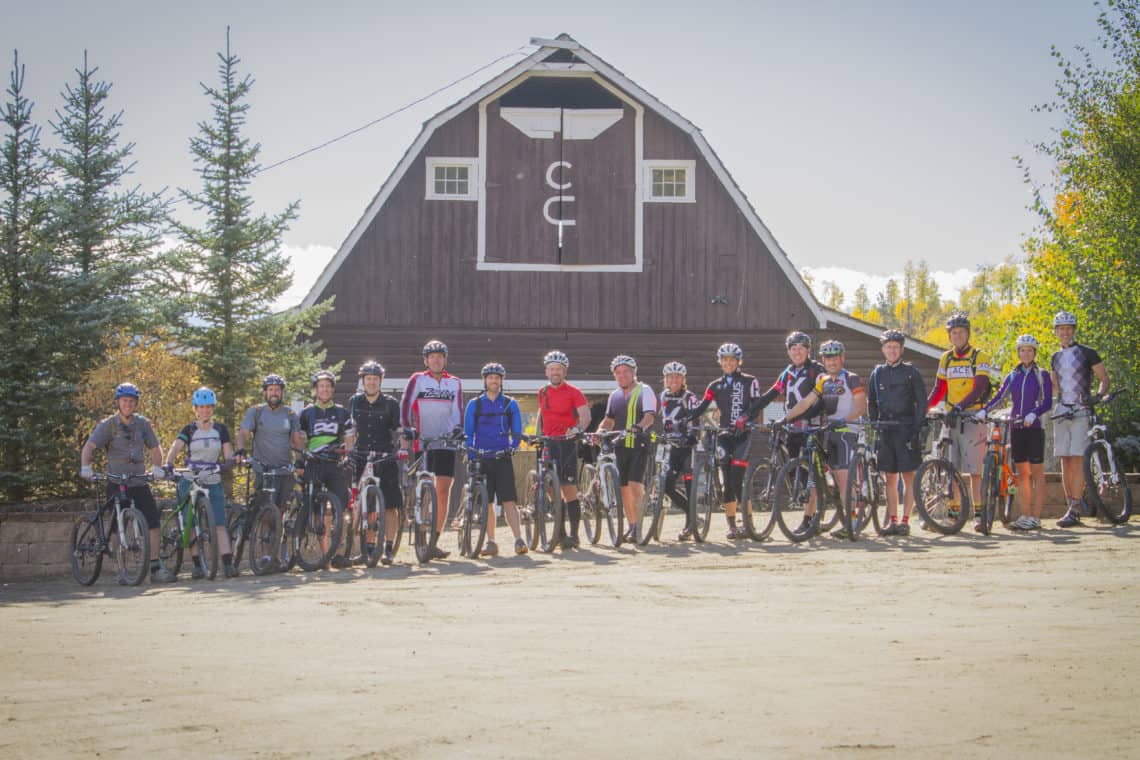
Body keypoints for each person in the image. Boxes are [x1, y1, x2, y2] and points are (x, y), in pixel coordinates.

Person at [79, 383, 171, 583]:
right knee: (116, 523)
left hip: (138, 480)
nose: (128, 404)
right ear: (118, 403)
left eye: (131, 401)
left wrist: (157, 467)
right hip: (116, 480)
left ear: (135, 403)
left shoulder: (142, 424)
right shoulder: (108, 425)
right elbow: (89, 447)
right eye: (124, 401)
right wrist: (86, 467)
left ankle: (155, 567)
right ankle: (122, 569)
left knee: (153, 521)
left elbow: (155, 448)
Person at [780, 340, 867, 538]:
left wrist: (844, 420)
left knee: (844, 479)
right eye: (828, 358)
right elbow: (806, 403)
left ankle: (852, 522)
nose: (831, 362)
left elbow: (861, 407)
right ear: (823, 361)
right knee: (833, 476)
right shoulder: (823, 381)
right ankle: (835, 515)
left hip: (848, 431)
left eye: (835, 358)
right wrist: (785, 418)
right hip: (830, 431)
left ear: (842, 358)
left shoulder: (851, 379)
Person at [685, 342, 764, 539]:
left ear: (739, 361)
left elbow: (756, 406)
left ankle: (748, 523)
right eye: (725, 360)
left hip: (742, 435)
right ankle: (731, 525)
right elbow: (703, 406)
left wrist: (745, 419)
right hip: (723, 436)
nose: (728, 363)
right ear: (720, 362)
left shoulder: (750, 381)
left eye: (732, 359)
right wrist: (685, 418)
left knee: (737, 480)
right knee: (727, 481)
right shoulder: (715, 385)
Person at [927, 312, 994, 532]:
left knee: (974, 470)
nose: (957, 336)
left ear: (967, 334)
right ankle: (955, 512)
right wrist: (925, 408)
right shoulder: (946, 358)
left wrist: (959, 406)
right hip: (951, 418)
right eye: (953, 333)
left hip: (970, 417)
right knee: (951, 467)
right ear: (949, 336)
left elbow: (980, 388)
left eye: (961, 332)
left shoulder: (979, 356)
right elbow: (940, 389)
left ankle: (979, 514)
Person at [164, 387, 237, 577]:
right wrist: (169, 463)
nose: (205, 411)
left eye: (208, 407)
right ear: (195, 409)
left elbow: (228, 451)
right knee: (191, 522)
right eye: (201, 407)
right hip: (191, 478)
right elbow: (176, 446)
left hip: (212, 477)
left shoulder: (220, 429)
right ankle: (197, 565)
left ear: (213, 408)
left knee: (219, 523)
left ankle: (228, 564)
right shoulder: (189, 429)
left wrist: (229, 461)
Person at [401, 340, 463, 559]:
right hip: (423, 441)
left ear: (445, 359)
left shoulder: (454, 382)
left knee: (443, 490)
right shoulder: (417, 379)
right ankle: (420, 533)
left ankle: (434, 541)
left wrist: (457, 429)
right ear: (426, 360)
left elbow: (457, 410)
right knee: (425, 488)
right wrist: (407, 428)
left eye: (440, 356)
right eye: (432, 356)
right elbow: (406, 404)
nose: (436, 359)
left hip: (445, 442)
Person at [984, 334, 1052, 530]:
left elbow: (1047, 401)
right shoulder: (1013, 375)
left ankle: (1036, 517)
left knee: (1037, 473)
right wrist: (984, 410)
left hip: (1034, 428)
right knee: (1022, 474)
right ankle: (1025, 515)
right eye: (1022, 350)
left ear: (1034, 353)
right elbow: (1000, 396)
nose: (1026, 353)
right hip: (1016, 427)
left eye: (1029, 350)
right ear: (1018, 352)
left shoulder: (1042, 374)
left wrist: (1034, 414)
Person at [236, 373, 304, 570]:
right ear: (265, 393)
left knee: (280, 513)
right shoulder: (256, 412)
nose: (274, 393)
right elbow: (243, 433)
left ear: (282, 392)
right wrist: (241, 449)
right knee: (266, 513)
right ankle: (265, 555)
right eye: (271, 390)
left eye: (277, 390)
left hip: (284, 471)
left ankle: (276, 554)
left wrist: (299, 462)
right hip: (262, 469)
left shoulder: (290, 414)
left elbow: (297, 439)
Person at [1050, 310, 1111, 528]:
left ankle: (1074, 509)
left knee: (1077, 458)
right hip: (1061, 410)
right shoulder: (1054, 357)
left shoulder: (1087, 352)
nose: (1065, 332)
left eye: (1069, 328)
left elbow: (1104, 378)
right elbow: (1056, 386)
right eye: (1061, 329)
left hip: (1081, 409)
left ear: (1073, 330)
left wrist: (1097, 396)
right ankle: (1071, 505)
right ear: (1056, 332)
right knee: (1064, 460)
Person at [867, 330, 927, 535]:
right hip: (885, 430)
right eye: (888, 347)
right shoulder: (877, 373)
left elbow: (921, 402)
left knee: (908, 477)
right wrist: (874, 422)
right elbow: (871, 401)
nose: (892, 350)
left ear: (901, 349)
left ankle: (905, 520)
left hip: (906, 428)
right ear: (883, 349)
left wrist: (917, 428)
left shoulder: (911, 372)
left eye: (895, 347)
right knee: (890, 478)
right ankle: (892, 520)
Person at [463, 362, 526, 556]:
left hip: (502, 457)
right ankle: (491, 541)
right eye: (490, 377)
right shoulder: (475, 404)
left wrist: (513, 447)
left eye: (497, 378)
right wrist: (472, 454)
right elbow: (468, 433)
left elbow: (516, 432)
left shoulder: (510, 403)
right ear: (485, 380)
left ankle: (518, 539)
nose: (494, 381)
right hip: (481, 458)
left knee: (509, 501)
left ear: (501, 381)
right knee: (487, 502)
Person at [596, 355, 658, 544]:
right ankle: (632, 526)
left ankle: (639, 526)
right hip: (620, 446)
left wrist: (639, 426)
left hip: (639, 444)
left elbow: (650, 416)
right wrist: (599, 431)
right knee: (623, 489)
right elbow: (609, 420)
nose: (622, 376)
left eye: (625, 372)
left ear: (633, 373)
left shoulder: (644, 390)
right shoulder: (614, 395)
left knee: (635, 485)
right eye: (618, 373)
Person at [347, 360, 403, 565]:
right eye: (368, 379)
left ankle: (388, 547)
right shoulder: (354, 401)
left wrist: (404, 442)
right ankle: (368, 547)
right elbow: (351, 430)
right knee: (367, 505)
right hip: (361, 455)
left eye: (375, 379)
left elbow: (398, 428)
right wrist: (349, 451)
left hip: (385, 456)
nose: (371, 382)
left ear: (380, 381)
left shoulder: (391, 403)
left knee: (390, 505)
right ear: (363, 381)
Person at [298, 369, 355, 566]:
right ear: (316, 389)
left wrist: (348, 453)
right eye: (321, 386)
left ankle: (338, 553)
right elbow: (299, 439)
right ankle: (323, 556)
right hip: (314, 462)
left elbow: (349, 437)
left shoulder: (341, 412)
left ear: (332, 389)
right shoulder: (306, 413)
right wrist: (299, 459)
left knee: (342, 505)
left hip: (334, 462)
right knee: (316, 509)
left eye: (328, 386)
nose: (324, 389)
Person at [534, 350, 591, 550]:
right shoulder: (542, 391)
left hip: (566, 443)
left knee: (569, 491)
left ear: (564, 371)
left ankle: (574, 536)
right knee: (550, 488)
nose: (555, 372)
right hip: (549, 442)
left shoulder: (574, 391)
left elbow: (585, 416)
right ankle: (560, 533)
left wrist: (577, 429)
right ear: (546, 371)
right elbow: (541, 414)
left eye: (558, 369)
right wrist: (536, 435)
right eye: (552, 369)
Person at [756, 330, 827, 463]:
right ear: (788, 352)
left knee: (809, 473)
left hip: (812, 429)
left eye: (801, 348)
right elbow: (769, 396)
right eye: (793, 349)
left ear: (808, 350)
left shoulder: (817, 369)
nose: (797, 352)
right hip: (791, 428)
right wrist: (747, 414)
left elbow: (822, 399)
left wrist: (805, 416)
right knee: (792, 471)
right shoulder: (787, 373)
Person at [658, 361, 700, 540]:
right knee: (667, 485)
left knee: (690, 486)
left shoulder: (689, 397)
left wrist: (691, 436)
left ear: (683, 379)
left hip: (687, 447)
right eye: (670, 377)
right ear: (665, 380)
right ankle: (694, 517)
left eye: (677, 377)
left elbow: (696, 420)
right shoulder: (663, 396)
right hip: (671, 447)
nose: (673, 380)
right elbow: (665, 420)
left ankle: (690, 524)